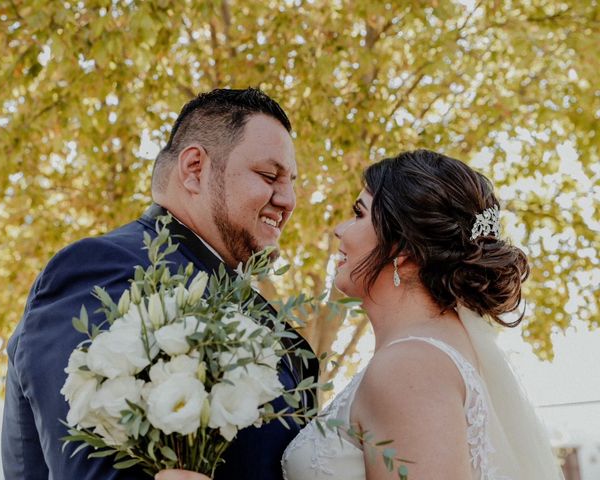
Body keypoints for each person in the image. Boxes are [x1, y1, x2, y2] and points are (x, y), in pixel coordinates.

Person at [160, 149, 563, 479]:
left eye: (358, 213)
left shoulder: (409, 368)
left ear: (402, 250)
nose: (339, 229)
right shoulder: (434, 351)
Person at [1, 88, 318, 480]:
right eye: (270, 176)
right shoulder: (104, 270)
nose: (288, 199)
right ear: (194, 169)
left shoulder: (237, 296)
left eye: (292, 182)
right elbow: (95, 466)